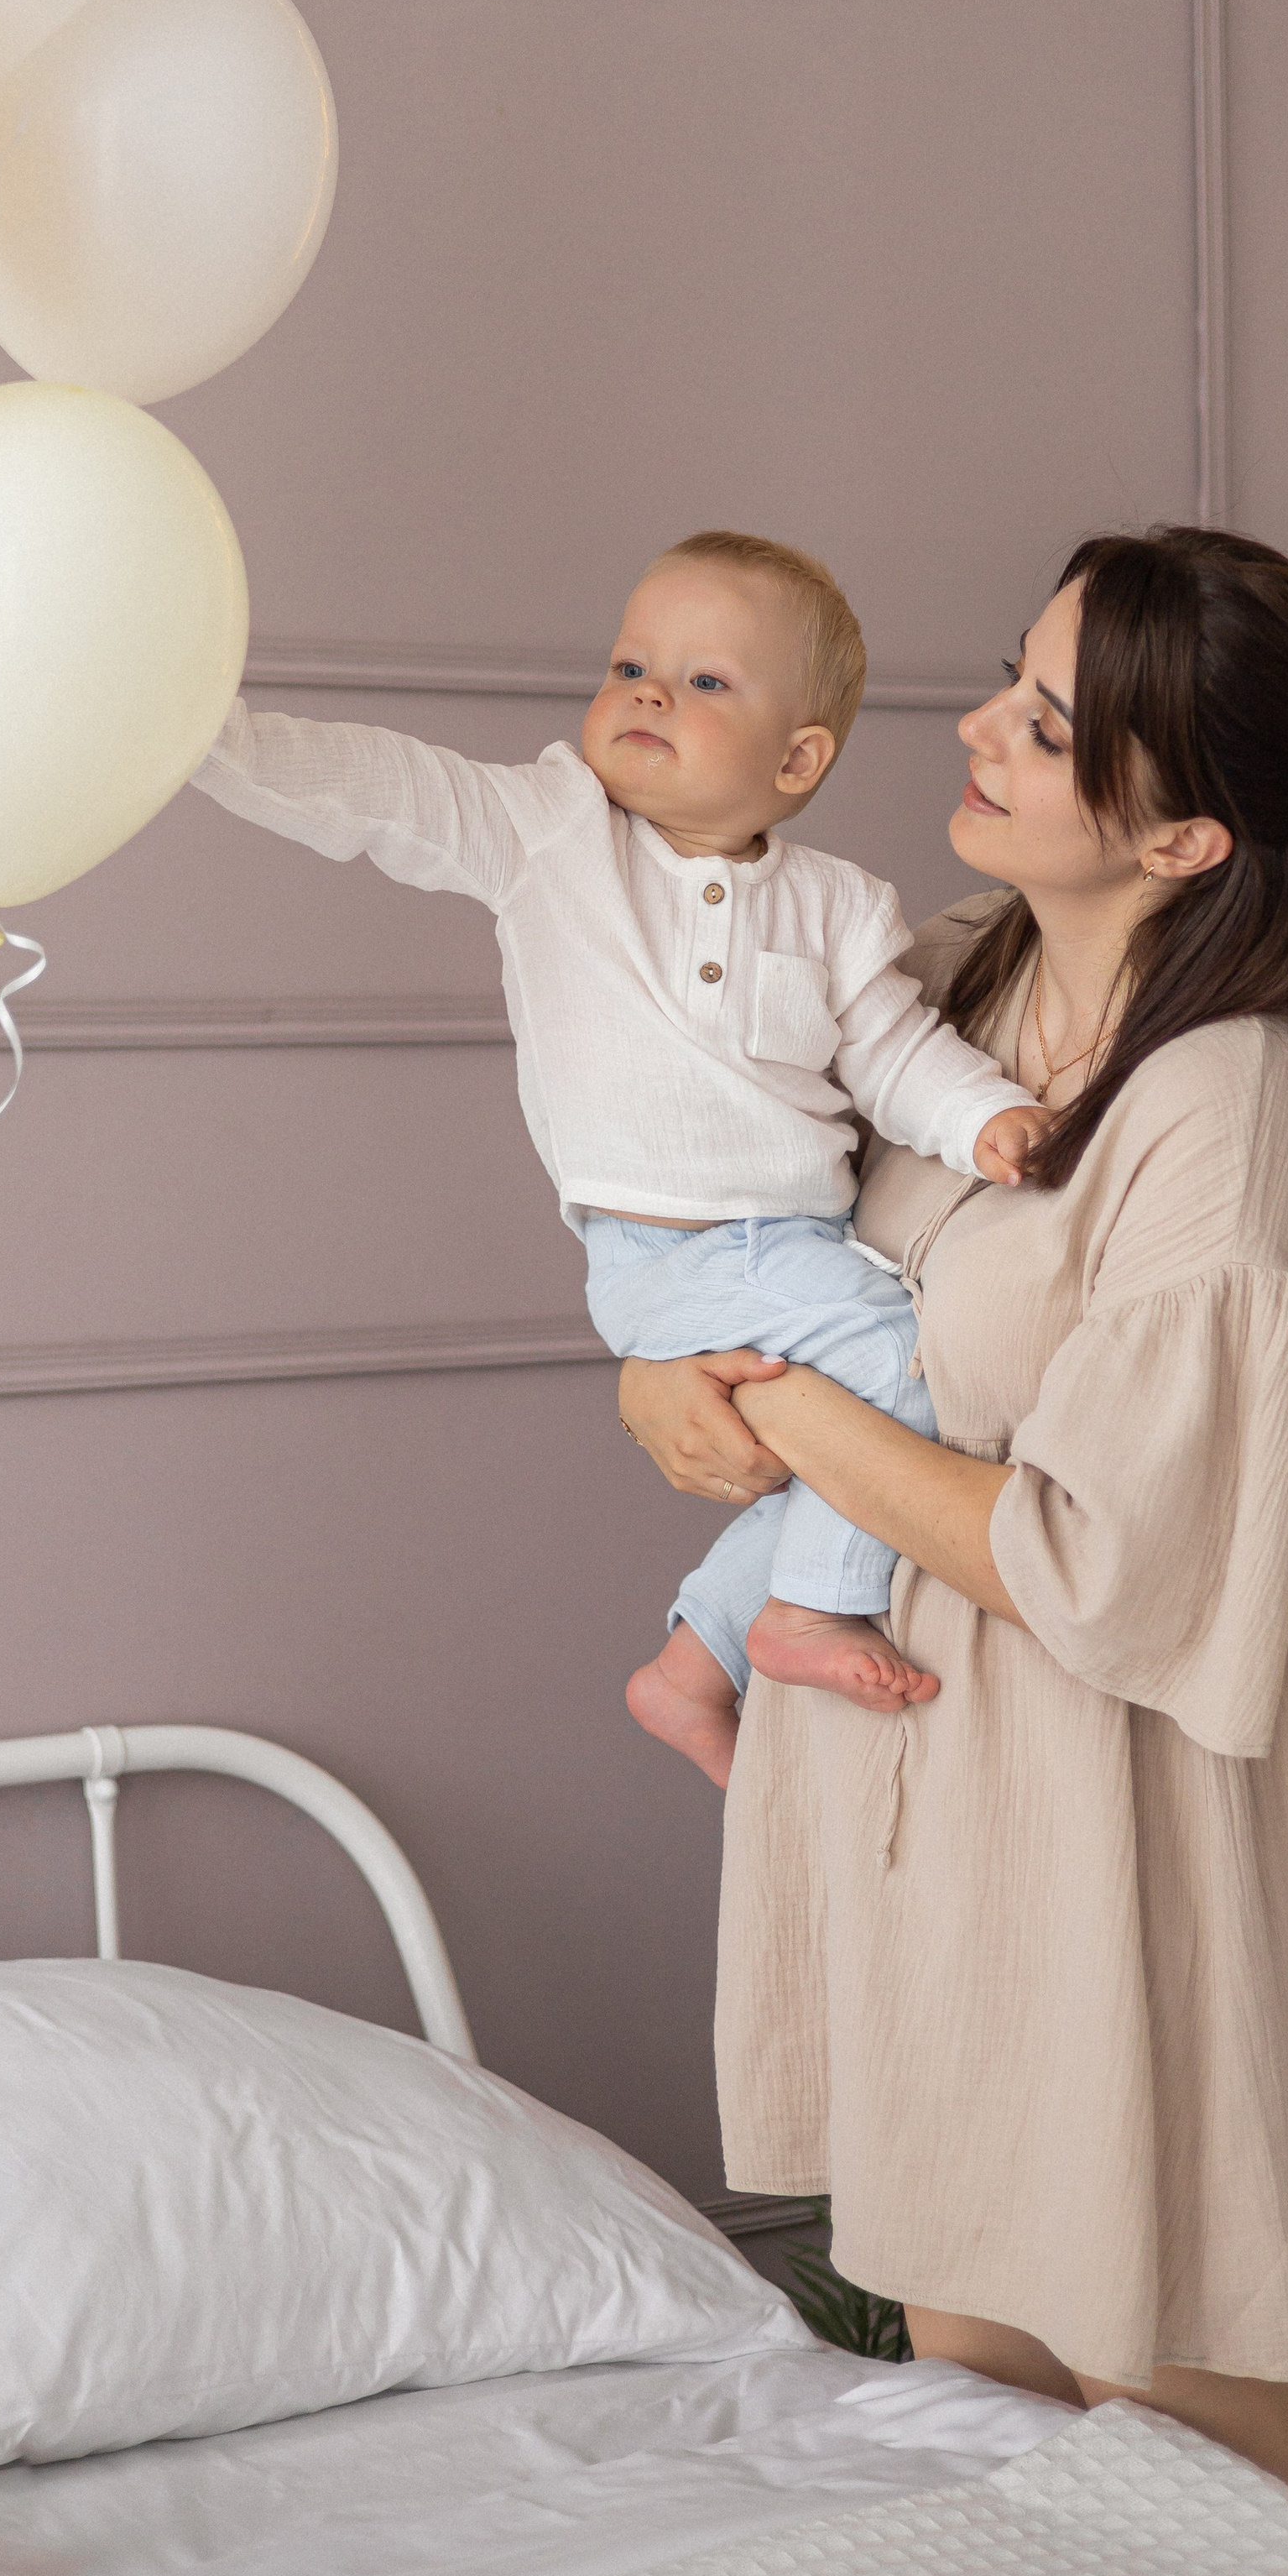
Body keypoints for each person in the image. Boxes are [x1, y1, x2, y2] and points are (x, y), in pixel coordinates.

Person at [618, 525, 1288, 2527]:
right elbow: (736, 1226)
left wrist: (784, 1409)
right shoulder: (944, 991)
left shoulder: (1225, 1105)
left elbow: (1100, 1558)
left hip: (1091, 1858)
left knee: (1186, 2417)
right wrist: (662, 1372)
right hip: (911, 1818)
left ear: (1180, 840)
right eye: (1011, 673)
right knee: (988, 2403)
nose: (978, 723)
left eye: (1049, 724)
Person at [192, 527, 1046, 1780]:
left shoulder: (843, 907)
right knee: (910, 1369)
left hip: (792, 1247)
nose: (648, 692)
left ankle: (695, 1660)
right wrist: (204, 738)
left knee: (872, 1416)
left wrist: (984, 1119)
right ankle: (800, 1612)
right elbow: (381, 795)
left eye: (706, 682)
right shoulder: (553, 832)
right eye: (630, 663)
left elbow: (897, 1056)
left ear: (798, 756)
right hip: (668, 1249)